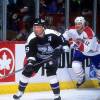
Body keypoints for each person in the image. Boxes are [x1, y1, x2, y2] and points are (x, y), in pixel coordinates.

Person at [13, 18, 65, 100]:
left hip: (51, 57)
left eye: (38, 27)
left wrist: (60, 50)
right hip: (38, 57)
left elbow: (65, 44)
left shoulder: (54, 34)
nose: (36, 29)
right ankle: (20, 92)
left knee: (51, 75)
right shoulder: (31, 38)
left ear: (44, 27)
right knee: (26, 73)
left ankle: (57, 95)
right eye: (35, 27)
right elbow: (30, 53)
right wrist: (30, 63)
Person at [62, 16, 100, 88]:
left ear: (83, 24)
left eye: (79, 23)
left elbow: (88, 48)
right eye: (76, 23)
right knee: (75, 65)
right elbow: (62, 37)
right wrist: (64, 44)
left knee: (99, 71)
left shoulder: (89, 32)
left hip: (95, 52)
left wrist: (73, 44)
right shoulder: (71, 30)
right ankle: (81, 78)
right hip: (81, 51)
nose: (77, 25)